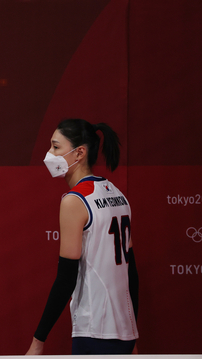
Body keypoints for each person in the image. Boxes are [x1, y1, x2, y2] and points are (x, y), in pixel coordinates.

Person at [26, 119, 139, 355]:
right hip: (124, 332)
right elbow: (131, 272)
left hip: (94, 330)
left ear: (79, 152)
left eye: (56, 147)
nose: (49, 154)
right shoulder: (119, 195)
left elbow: (66, 278)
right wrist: (133, 334)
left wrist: (38, 341)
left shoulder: (74, 200)